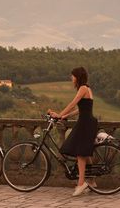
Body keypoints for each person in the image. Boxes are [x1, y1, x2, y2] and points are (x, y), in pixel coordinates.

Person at [48, 66, 98, 196]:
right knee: (85, 152)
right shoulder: (87, 88)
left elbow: (72, 104)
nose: (71, 78)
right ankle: (91, 181)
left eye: (72, 76)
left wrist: (59, 114)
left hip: (85, 123)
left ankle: (81, 184)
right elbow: (80, 109)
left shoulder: (83, 88)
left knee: (81, 153)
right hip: (87, 121)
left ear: (77, 77)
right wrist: (65, 116)